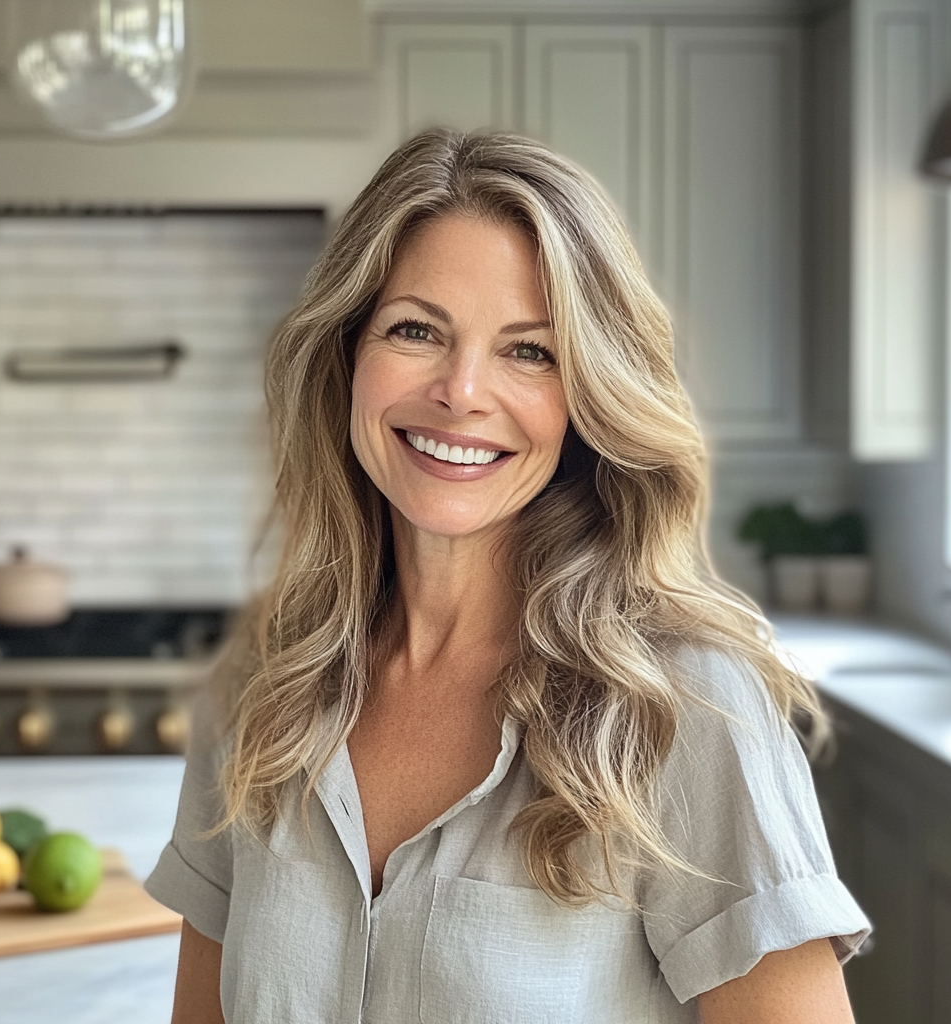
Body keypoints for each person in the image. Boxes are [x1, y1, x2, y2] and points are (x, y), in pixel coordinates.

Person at [146, 129, 871, 1024]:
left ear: (588, 395)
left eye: (529, 350)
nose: (461, 391)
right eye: (416, 330)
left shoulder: (686, 708)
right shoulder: (262, 685)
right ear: (346, 359)